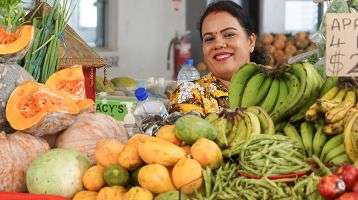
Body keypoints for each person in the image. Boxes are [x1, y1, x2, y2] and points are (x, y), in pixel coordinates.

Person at [169, 0, 267, 115]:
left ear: (250, 41)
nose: (219, 44)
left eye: (229, 34)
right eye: (209, 39)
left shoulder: (274, 88)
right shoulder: (191, 94)